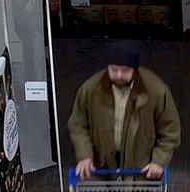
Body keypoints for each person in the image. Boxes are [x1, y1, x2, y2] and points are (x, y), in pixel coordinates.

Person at [67, 45, 181, 181]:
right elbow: (78, 124)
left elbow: (170, 130)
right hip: (104, 163)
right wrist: (85, 155)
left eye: (125, 70)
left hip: (141, 164)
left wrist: (159, 161)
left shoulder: (156, 90)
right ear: (107, 67)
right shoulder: (90, 89)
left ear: (135, 69)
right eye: (114, 70)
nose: (119, 75)